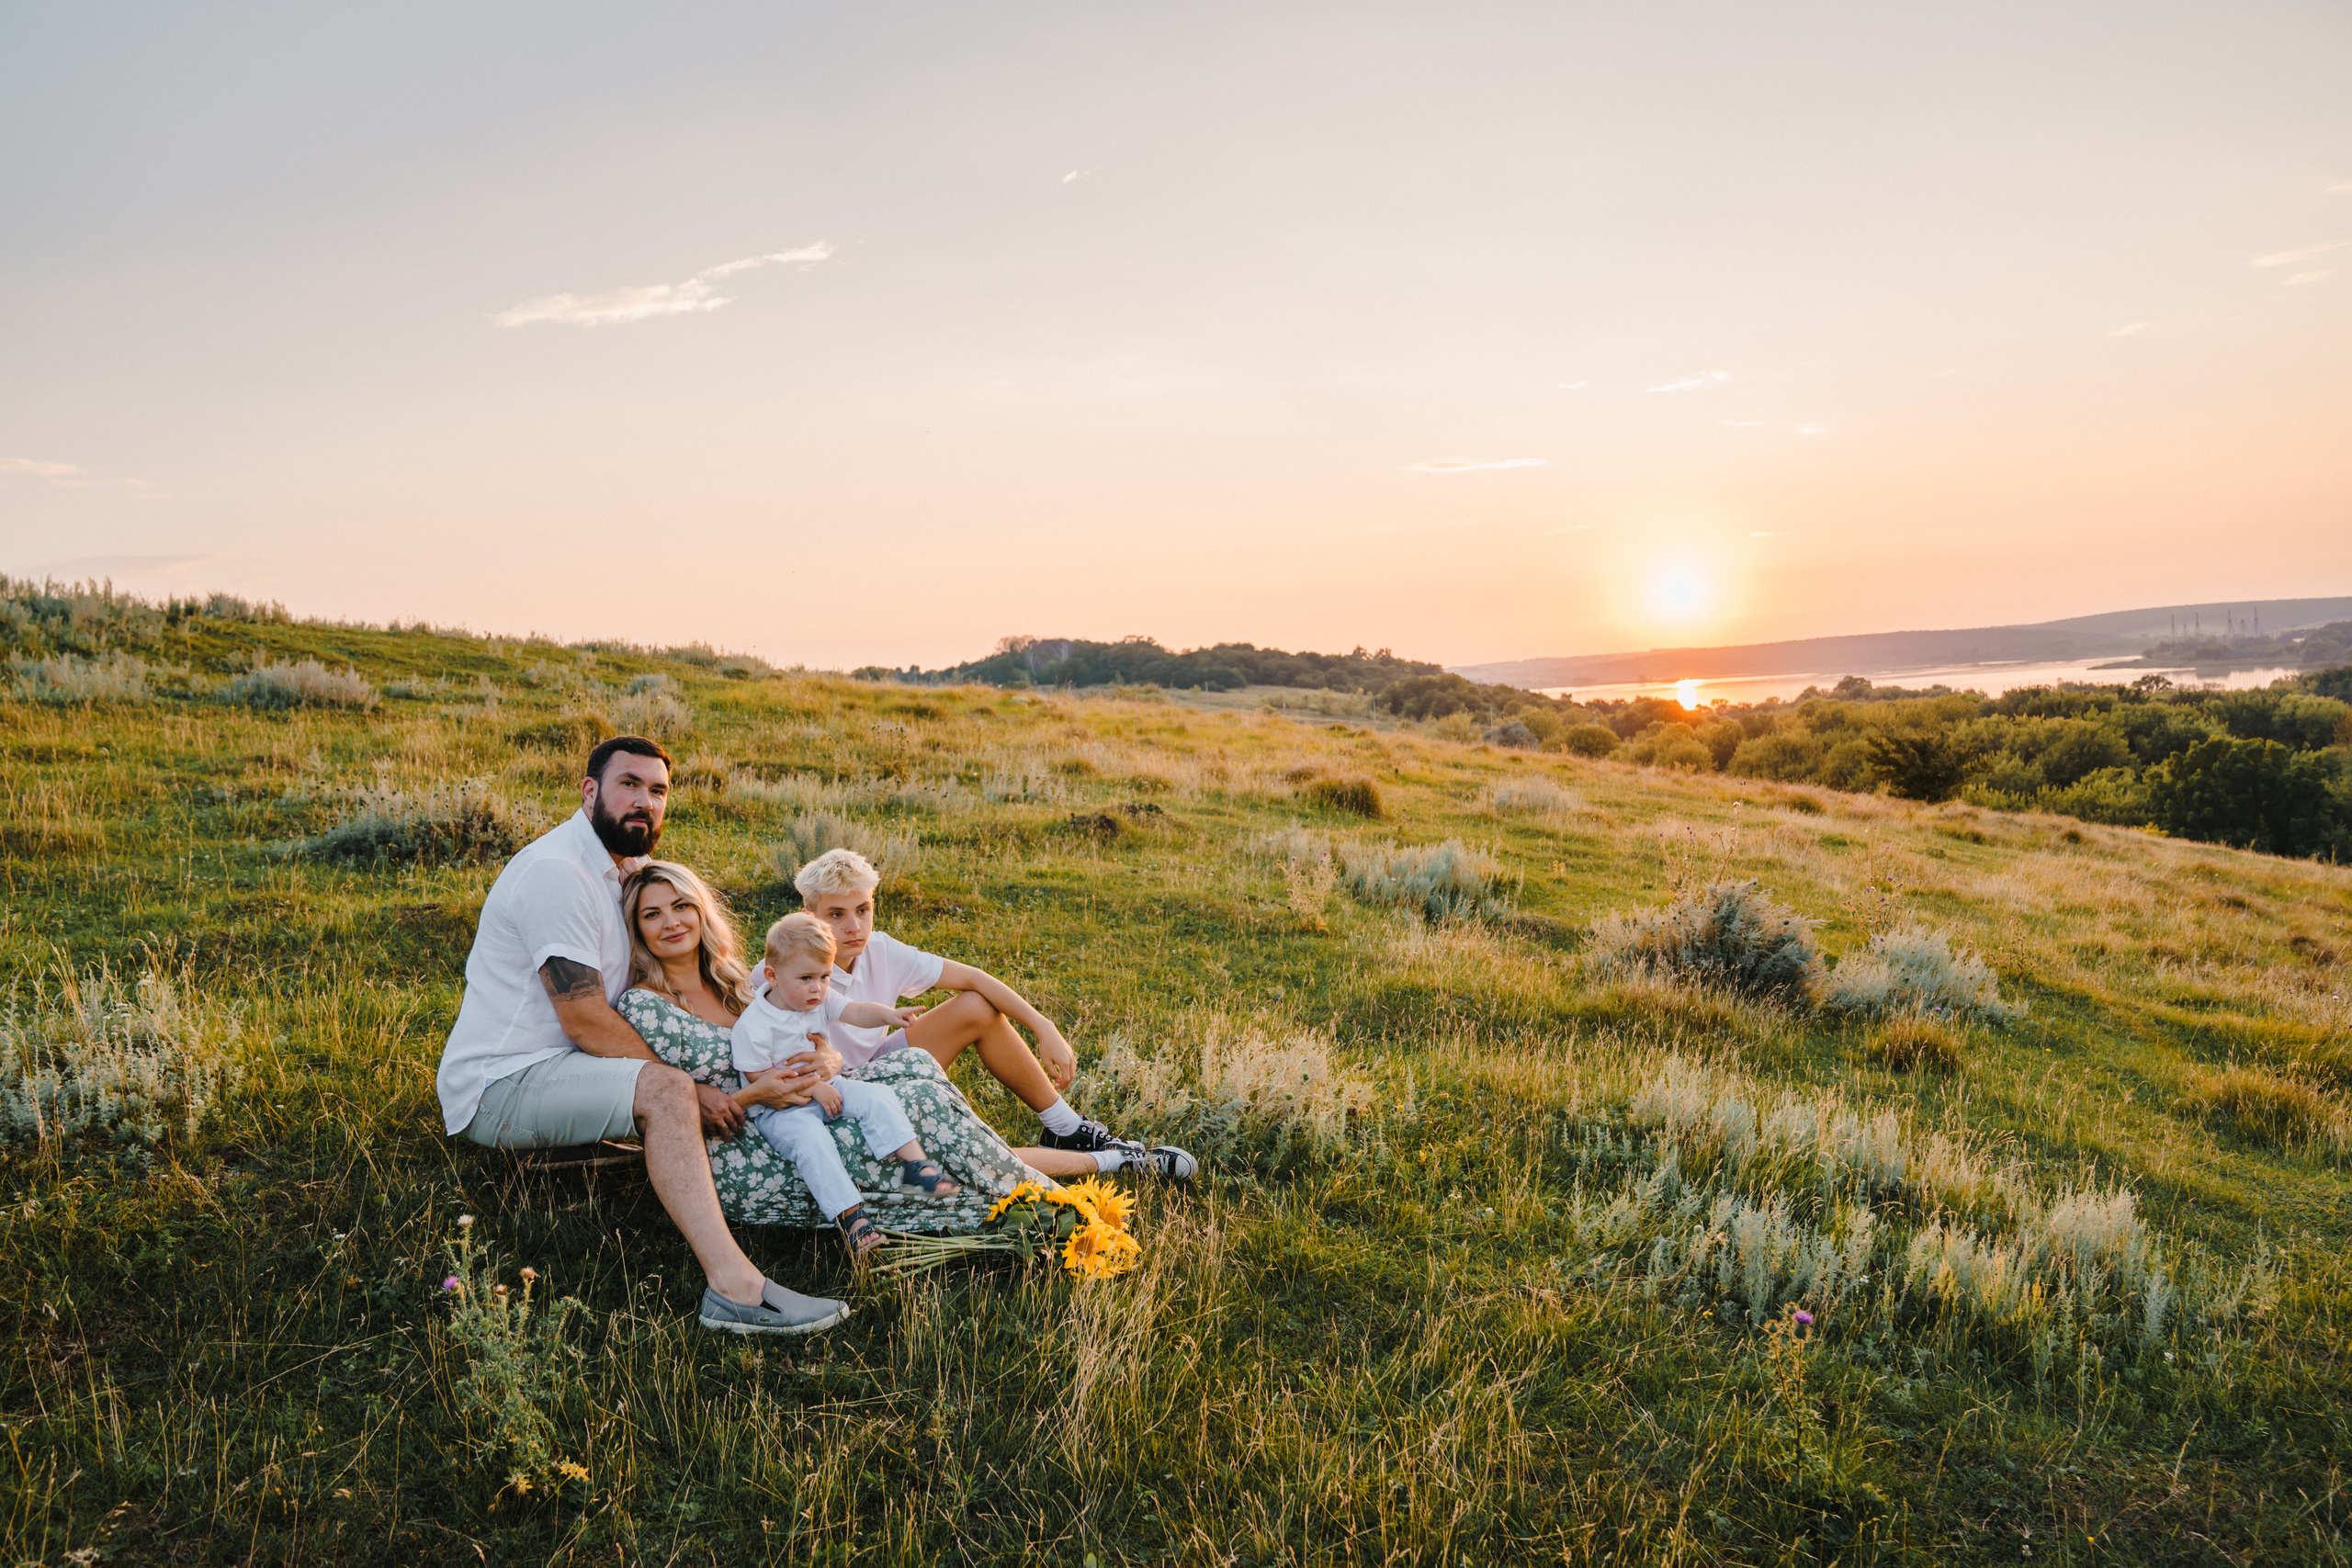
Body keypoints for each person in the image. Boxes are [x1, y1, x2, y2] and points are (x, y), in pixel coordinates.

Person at [435, 735, 847, 1337]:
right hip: (504, 1080)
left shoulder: (622, 871)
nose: (645, 801)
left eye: (658, 791)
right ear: (589, 791)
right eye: (629, 784)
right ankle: (736, 1290)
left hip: (567, 1066)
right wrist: (691, 1088)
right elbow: (582, 1017)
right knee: (666, 1090)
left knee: (683, 1083)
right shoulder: (558, 873)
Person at [617, 860, 1043, 1230]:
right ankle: (1034, 1197)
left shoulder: (733, 980)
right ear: (637, 929)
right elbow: (663, 1099)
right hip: (754, 1142)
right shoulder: (645, 1004)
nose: (671, 922)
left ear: (700, 911)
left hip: (809, 1097)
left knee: (917, 1079)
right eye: (653, 914)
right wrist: (758, 1094)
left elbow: (806, 1029)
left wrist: (828, 1058)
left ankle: (1069, 1170)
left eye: (681, 906)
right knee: (921, 1111)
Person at [793, 848, 1197, 1179]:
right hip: (838, 1100)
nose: (854, 926)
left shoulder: (879, 949)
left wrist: (1044, 1025)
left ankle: (1066, 1128)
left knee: (975, 1005)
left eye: (863, 910)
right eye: (836, 915)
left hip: (877, 1066)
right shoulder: (785, 968)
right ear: (809, 916)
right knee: (959, 1147)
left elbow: (975, 979)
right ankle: (1117, 1163)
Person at [732, 913, 960, 1259]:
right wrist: (816, 1089)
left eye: (824, 977)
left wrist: (888, 1015)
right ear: (772, 976)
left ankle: (917, 1168)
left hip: (828, 1082)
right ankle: (853, 1219)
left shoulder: (818, 999)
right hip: (779, 1110)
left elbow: (854, 1011)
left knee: (874, 1095)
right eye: (807, 978)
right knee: (811, 1140)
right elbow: (762, 1083)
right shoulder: (754, 1025)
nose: (818, 988)